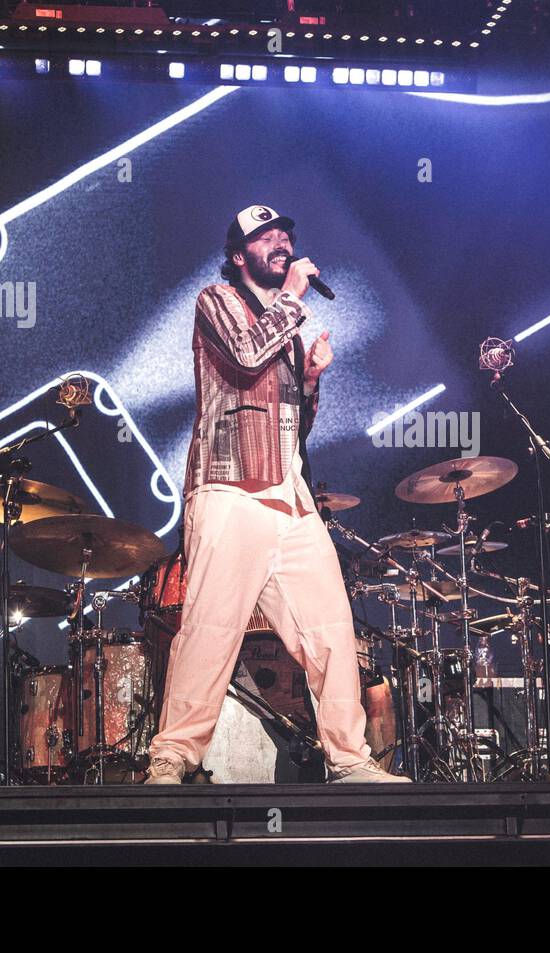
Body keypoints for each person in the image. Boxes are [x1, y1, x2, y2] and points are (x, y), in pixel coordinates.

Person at [146, 203, 408, 784]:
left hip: (290, 497)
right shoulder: (216, 302)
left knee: (332, 630)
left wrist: (311, 382)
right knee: (211, 629)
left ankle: (349, 758)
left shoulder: (287, 331)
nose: (280, 243)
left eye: (284, 235)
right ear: (240, 256)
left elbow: (294, 429)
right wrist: (292, 298)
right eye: (264, 238)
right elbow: (243, 357)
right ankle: (173, 755)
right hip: (229, 489)